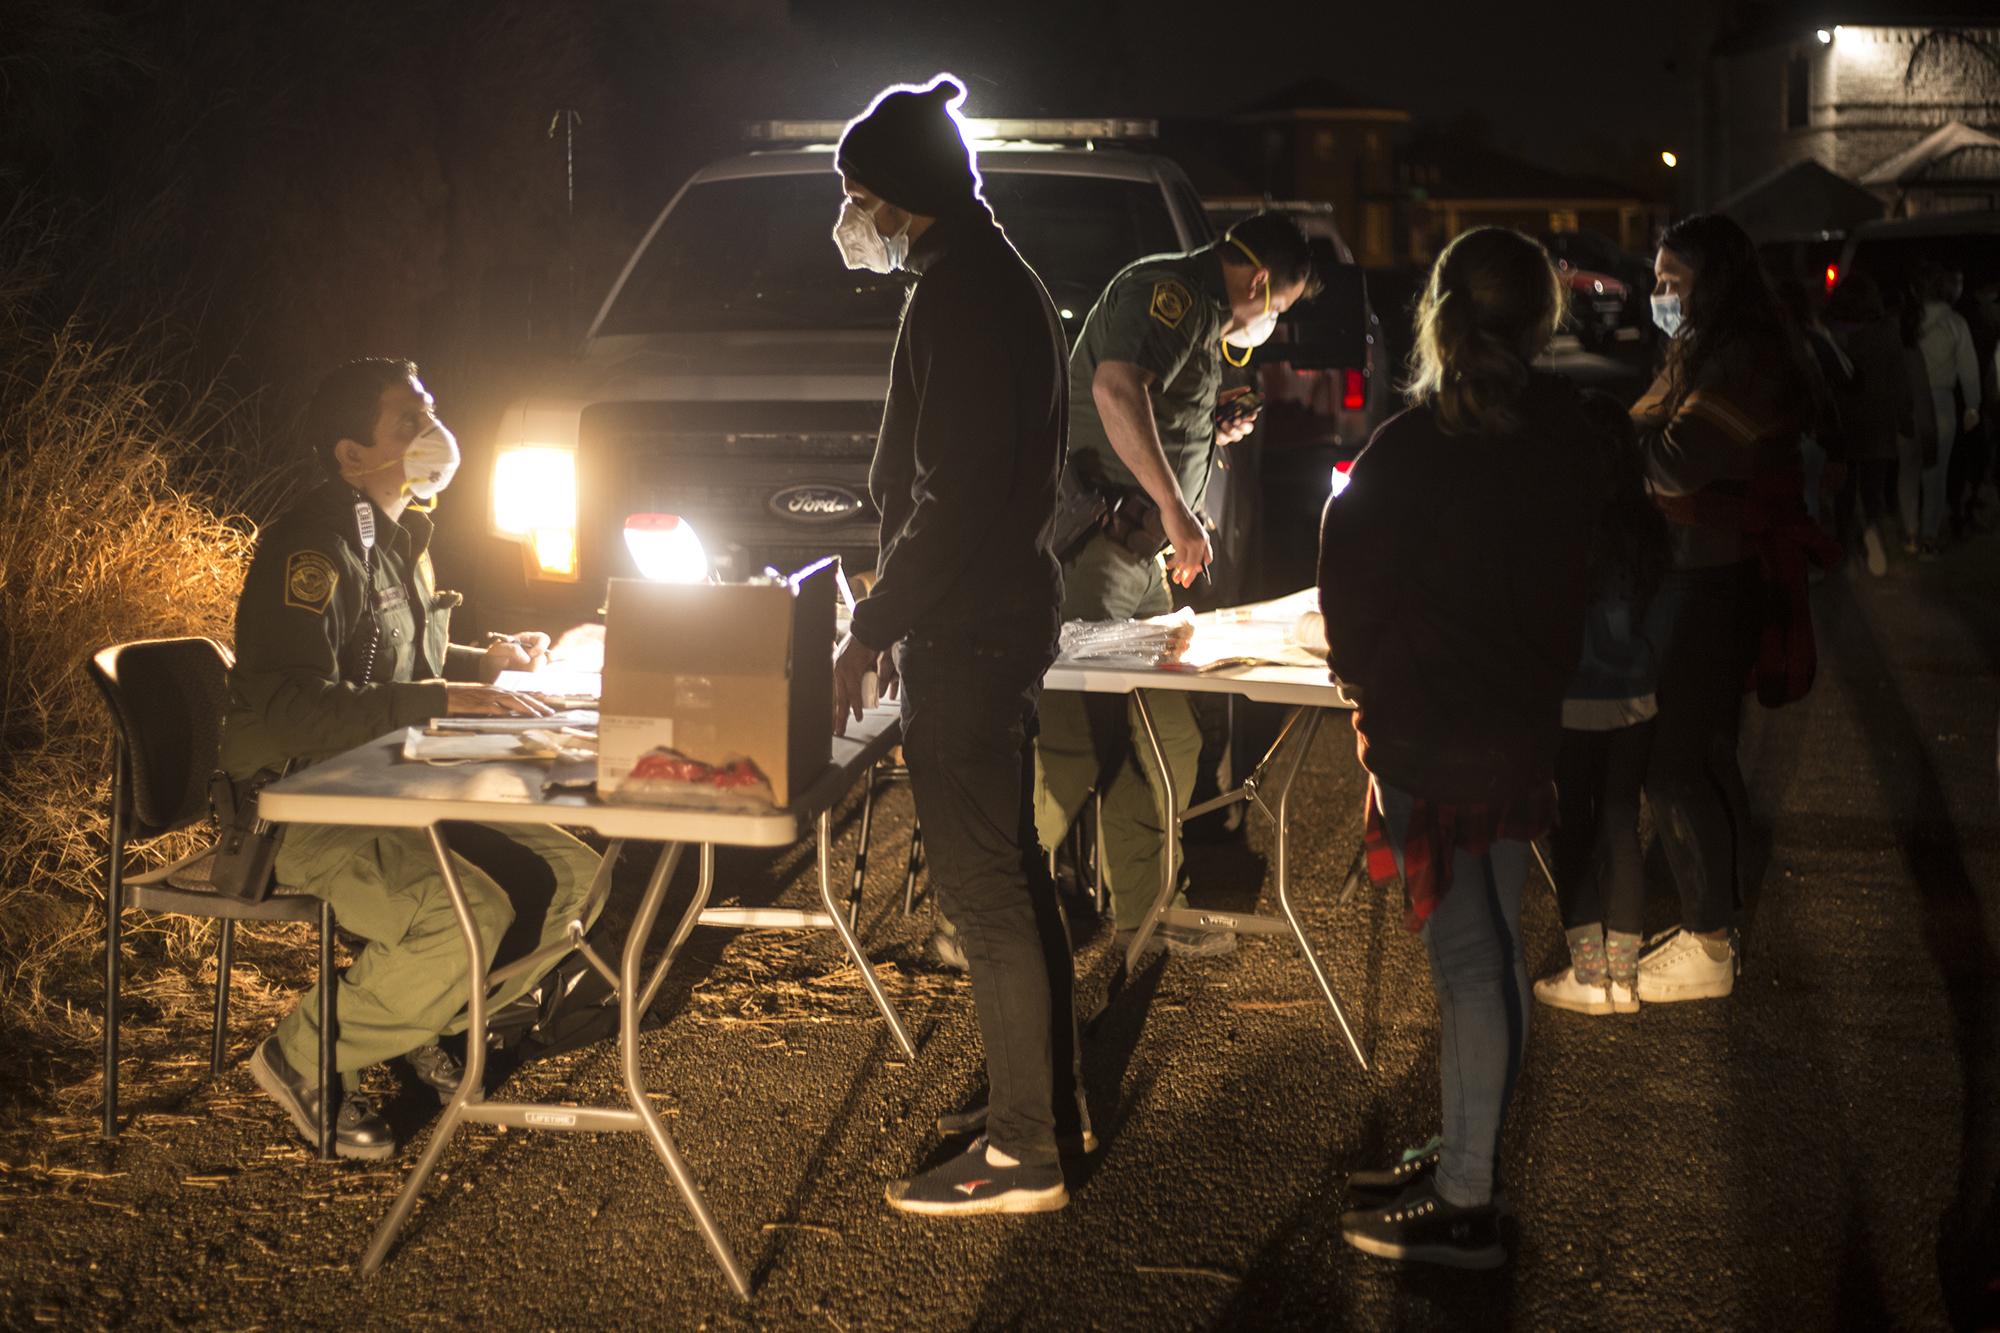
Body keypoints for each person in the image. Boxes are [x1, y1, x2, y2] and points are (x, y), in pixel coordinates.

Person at [222, 357, 603, 1159]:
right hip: (299, 803)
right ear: (351, 453)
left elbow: (391, 664)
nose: (434, 436)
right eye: (409, 423)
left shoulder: (394, 537)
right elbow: (290, 709)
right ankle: (305, 1054)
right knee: (465, 917)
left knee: (576, 875)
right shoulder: (312, 549)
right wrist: (440, 694)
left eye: (431, 414)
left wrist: (483, 663)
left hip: (387, 784)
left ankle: (418, 1018)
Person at [825, 75, 1085, 1215]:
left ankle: (1025, 1154)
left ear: (905, 197)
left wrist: (875, 623)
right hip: (988, 616)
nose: (850, 218)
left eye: (857, 195)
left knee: (984, 897)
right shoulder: (981, 276)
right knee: (1013, 881)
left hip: (967, 631)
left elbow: (956, 489)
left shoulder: (965, 293)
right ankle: (1046, 1109)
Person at [1319, 227, 1599, 1268]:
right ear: (1540, 320)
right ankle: (1465, 1156)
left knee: (1469, 961)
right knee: (1494, 957)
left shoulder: (1406, 448)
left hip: (1427, 739)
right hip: (1519, 729)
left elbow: (1345, 592)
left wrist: (1365, 690)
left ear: (1438, 316)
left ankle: (1465, 1199)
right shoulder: (1563, 440)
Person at [1033, 210, 1319, 958]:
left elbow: (1154, 406)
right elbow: (1115, 387)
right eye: (1280, 306)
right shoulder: (1175, 295)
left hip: (1142, 560)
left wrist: (1208, 424)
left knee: (1168, 735)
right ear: (1260, 279)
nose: (1273, 321)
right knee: (1073, 743)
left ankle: (1150, 910)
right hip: (1099, 548)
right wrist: (1175, 507)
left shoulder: (1196, 315)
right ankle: (984, 912)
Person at [1630, 214, 1819, 1002]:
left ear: (1715, 281)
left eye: (1673, 281)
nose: (1658, 294)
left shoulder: (1743, 358)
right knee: (1703, 750)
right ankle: (1717, 922)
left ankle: (1708, 943)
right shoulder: (1704, 349)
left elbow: (1675, 461)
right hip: (1701, 572)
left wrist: (1611, 439)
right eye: (1656, 279)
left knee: (1670, 757)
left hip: (1713, 578)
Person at [1532, 394, 1672, 1015]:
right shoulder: (1647, 523)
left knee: (1574, 827)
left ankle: (1590, 980)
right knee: (1622, 821)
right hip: (1636, 694)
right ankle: (1624, 978)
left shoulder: (1561, 521)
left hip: (1573, 699)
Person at [1825, 272, 1913, 577]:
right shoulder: (1888, 332)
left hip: (1844, 424)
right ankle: (1873, 543)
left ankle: (1843, 549)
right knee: (1873, 493)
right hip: (1878, 423)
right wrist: (1904, 418)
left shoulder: (1834, 334)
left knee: (1844, 493)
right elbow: (1899, 381)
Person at [1913, 261, 1983, 556]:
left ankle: (1907, 528)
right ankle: (1928, 534)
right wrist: (1973, 405)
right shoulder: (1956, 323)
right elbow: (1969, 370)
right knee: (1936, 473)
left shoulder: (1910, 321)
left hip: (1912, 400)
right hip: (1941, 402)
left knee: (1908, 469)